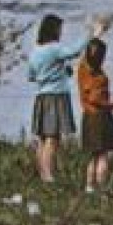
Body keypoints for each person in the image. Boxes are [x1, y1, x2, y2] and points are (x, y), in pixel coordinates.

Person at [27, 13, 103, 184]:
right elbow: (74, 52)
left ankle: (43, 173)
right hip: (56, 96)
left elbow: (31, 76)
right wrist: (90, 33)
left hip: (41, 96)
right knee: (53, 139)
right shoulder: (54, 49)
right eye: (60, 29)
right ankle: (48, 177)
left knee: (42, 138)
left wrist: (55, 73)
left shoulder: (35, 51)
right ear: (54, 31)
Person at [76, 38, 113, 195]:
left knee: (93, 155)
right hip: (100, 118)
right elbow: (96, 99)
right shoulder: (100, 78)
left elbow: (84, 59)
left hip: (87, 116)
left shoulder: (83, 70)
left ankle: (89, 186)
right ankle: (101, 188)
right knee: (103, 155)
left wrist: (96, 33)